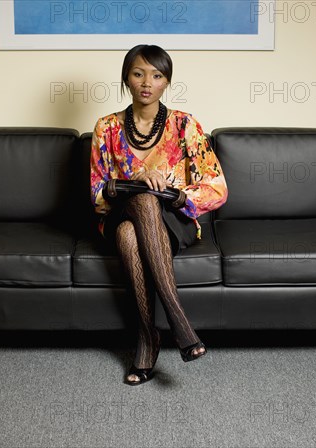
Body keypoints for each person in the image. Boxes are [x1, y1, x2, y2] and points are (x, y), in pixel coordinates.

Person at [89, 44, 228, 385]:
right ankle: (180, 324)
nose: (146, 82)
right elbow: (96, 194)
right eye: (138, 73)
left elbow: (217, 188)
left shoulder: (185, 125)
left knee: (134, 225)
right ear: (126, 78)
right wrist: (133, 181)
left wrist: (172, 194)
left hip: (174, 218)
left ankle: (148, 339)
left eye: (157, 75)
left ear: (167, 81)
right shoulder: (106, 128)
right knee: (134, 211)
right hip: (121, 212)